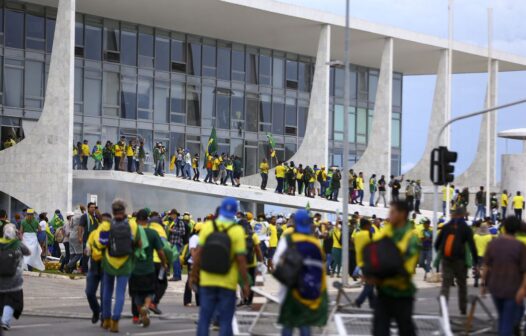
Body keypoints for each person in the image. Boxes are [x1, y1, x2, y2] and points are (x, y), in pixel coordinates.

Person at [191, 197, 250, 336]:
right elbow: (241, 259)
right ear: (235, 212)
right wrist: (245, 282)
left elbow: (198, 254)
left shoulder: (208, 227)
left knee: (204, 318)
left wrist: (193, 275)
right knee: (226, 320)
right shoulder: (237, 231)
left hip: (207, 279)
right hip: (228, 282)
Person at [273, 209, 328, 336]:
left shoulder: (288, 240)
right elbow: (321, 269)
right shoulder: (315, 243)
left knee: (288, 323)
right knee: (305, 324)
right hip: (309, 290)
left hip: (290, 289)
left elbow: (277, 261)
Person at [371, 201, 420, 336]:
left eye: (392, 212)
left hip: (402, 294)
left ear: (402, 214)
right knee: (379, 331)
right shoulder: (384, 233)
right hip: (383, 293)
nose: (389, 215)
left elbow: (406, 268)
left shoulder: (411, 238)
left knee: (406, 330)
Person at [98, 199, 139, 333]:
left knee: (107, 291)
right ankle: (115, 321)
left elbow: (101, 244)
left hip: (109, 262)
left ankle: (106, 319)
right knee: (120, 293)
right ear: (124, 211)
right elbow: (139, 243)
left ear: (113, 211)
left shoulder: (106, 225)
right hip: (125, 262)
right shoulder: (132, 225)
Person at [482, 216, 526, 336]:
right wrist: (523, 289)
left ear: (504, 228)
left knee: (503, 317)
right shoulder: (519, 246)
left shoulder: (492, 243)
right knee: (508, 321)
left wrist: (483, 285)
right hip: (512, 289)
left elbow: (486, 266)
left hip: (495, 287)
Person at [435, 207, 478, 315]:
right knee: (462, 285)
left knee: (445, 286)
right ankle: (463, 310)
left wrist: (442, 256)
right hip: (460, 261)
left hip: (446, 260)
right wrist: (475, 262)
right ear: (463, 215)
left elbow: (437, 244)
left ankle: (442, 311)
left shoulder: (446, 227)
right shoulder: (465, 228)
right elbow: (472, 246)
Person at [130, 209, 168, 327]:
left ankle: (140, 313)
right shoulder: (153, 233)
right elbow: (161, 252)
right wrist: (164, 263)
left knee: (136, 294)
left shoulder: (133, 234)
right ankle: (146, 307)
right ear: (148, 220)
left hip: (134, 269)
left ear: (136, 221)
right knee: (149, 292)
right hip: (149, 269)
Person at [0, 224, 30, 331]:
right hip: (14, 281)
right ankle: (5, 321)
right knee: (12, 300)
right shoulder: (17, 244)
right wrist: (21, 239)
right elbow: (28, 252)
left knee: (1, 300)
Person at [84, 212, 108, 325]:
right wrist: (88, 249)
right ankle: (96, 311)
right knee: (89, 292)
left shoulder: (112, 234)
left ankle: (104, 315)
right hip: (94, 266)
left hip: (106, 266)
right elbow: (88, 246)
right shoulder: (94, 233)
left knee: (104, 293)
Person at [353, 218, 375, 308]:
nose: (370, 227)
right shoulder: (369, 234)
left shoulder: (357, 235)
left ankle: (373, 304)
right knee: (369, 284)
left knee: (370, 283)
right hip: (369, 262)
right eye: (369, 225)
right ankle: (359, 301)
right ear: (366, 226)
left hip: (360, 262)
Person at [183, 223, 201, 307]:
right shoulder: (194, 238)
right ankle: (187, 300)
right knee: (190, 281)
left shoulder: (202, 238)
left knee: (199, 282)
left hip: (200, 263)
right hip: (193, 262)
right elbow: (192, 250)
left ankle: (199, 301)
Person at [79, 202, 99, 274]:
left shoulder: (96, 217)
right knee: (86, 256)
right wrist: (80, 237)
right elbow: (80, 227)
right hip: (86, 239)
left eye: (94, 207)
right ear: (88, 208)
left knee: (94, 256)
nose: (93, 209)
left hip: (95, 240)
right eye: (91, 207)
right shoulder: (84, 216)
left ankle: (91, 270)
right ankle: (85, 270)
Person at [166, 209, 186, 282]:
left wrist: (172, 231)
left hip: (177, 243)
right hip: (174, 243)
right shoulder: (173, 222)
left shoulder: (179, 222)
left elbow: (183, 232)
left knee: (175, 260)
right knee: (175, 259)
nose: (170, 215)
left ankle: (176, 276)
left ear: (174, 214)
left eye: (171, 214)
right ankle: (177, 275)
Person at [473, 223, 492, 288]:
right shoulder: (489, 236)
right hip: (485, 255)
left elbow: (473, 244)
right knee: (485, 268)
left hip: (476, 254)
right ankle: (485, 282)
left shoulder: (475, 236)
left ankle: (476, 282)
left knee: (476, 267)